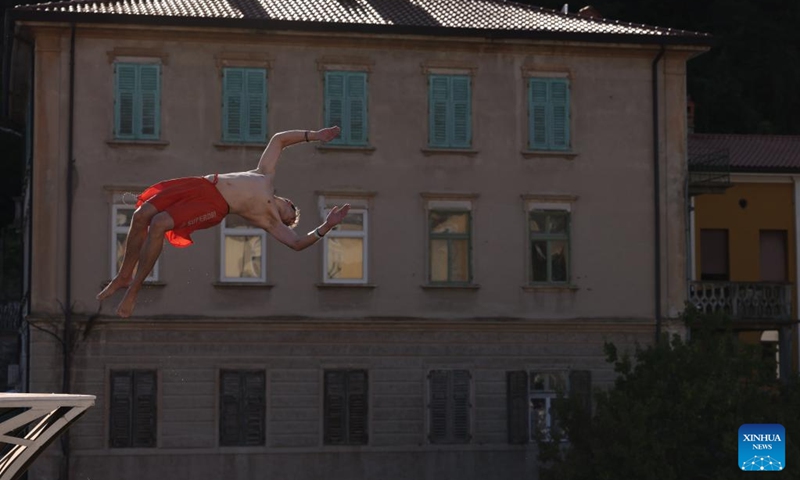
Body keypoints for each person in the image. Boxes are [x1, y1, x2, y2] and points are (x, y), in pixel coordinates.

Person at [97, 126, 350, 318]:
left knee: (160, 223)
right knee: (141, 214)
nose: (291, 215)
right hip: (202, 184)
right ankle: (123, 276)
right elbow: (279, 140)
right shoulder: (264, 176)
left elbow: (296, 243)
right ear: (286, 200)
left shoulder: (268, 220)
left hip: (214, 205)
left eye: (292, 219)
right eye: (293, 210)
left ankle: (133, 291)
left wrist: (326, 227)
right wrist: (315, 135)